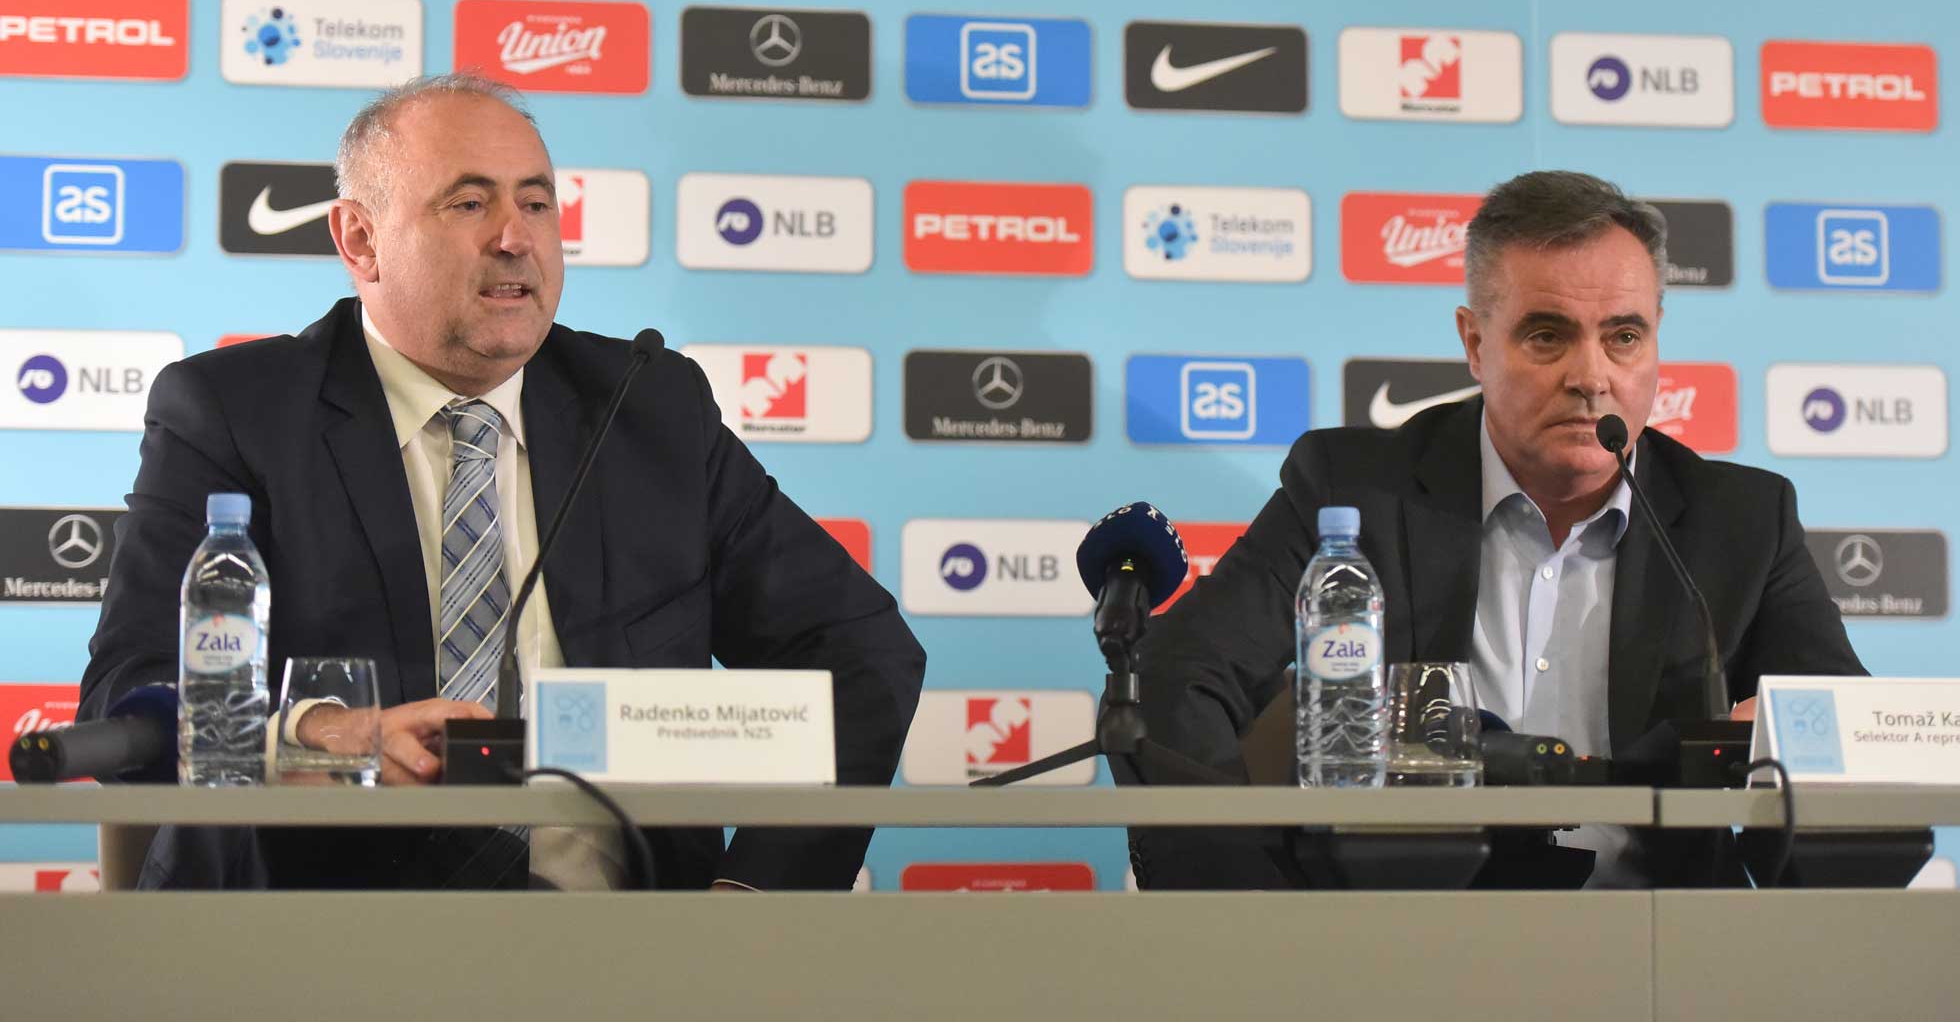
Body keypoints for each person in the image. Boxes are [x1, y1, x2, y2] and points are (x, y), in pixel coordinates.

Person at [80, 72, 925, 890]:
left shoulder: (647, 407)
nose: (515, 238)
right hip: (315, 942)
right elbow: (129, 695)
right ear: (360, 240)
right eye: (469, 203)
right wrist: (315, 737)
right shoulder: (236, 414)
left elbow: (858, 648)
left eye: (536, 203)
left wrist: (751, 892)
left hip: (624, 949)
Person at [1129, 170, 1864, 889]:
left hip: (1661, 942)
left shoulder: (1741, 521)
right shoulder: (1351, 492)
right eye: (1547, 335)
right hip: (1409, 931)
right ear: (1476, 344)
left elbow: (1858, 739)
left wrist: (1784, 738)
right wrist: (1253, 909)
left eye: (1623, 336)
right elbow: (1179, 673)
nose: (1591, 376)